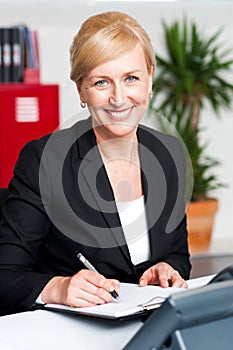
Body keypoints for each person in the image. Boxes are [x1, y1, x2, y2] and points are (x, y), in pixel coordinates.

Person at [0, 11, 191, 316]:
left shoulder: (169, 154)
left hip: (147, 327)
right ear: (81, 91)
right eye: (102, 82)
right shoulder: (44, 160)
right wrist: (58, 288)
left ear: (149, 80)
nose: (119, 98)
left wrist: (167, 268)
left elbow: (179, 255)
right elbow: (5, 276)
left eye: (131, 78)